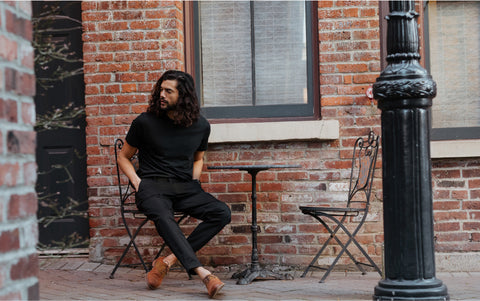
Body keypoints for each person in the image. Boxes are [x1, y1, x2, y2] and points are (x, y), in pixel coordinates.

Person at [117, 70, 231, 298]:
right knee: (163, 215)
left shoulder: (200, 126)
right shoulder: (144, 122)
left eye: (168, 91)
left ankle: (166, 262)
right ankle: (203, 274)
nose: (161, 94)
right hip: (152, 187)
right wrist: (138, 183)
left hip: (185, 188)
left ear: (184, 95)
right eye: (161, 89)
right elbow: (123, 156)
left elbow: (198, 158)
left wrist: (194, 181)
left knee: (222, 213)